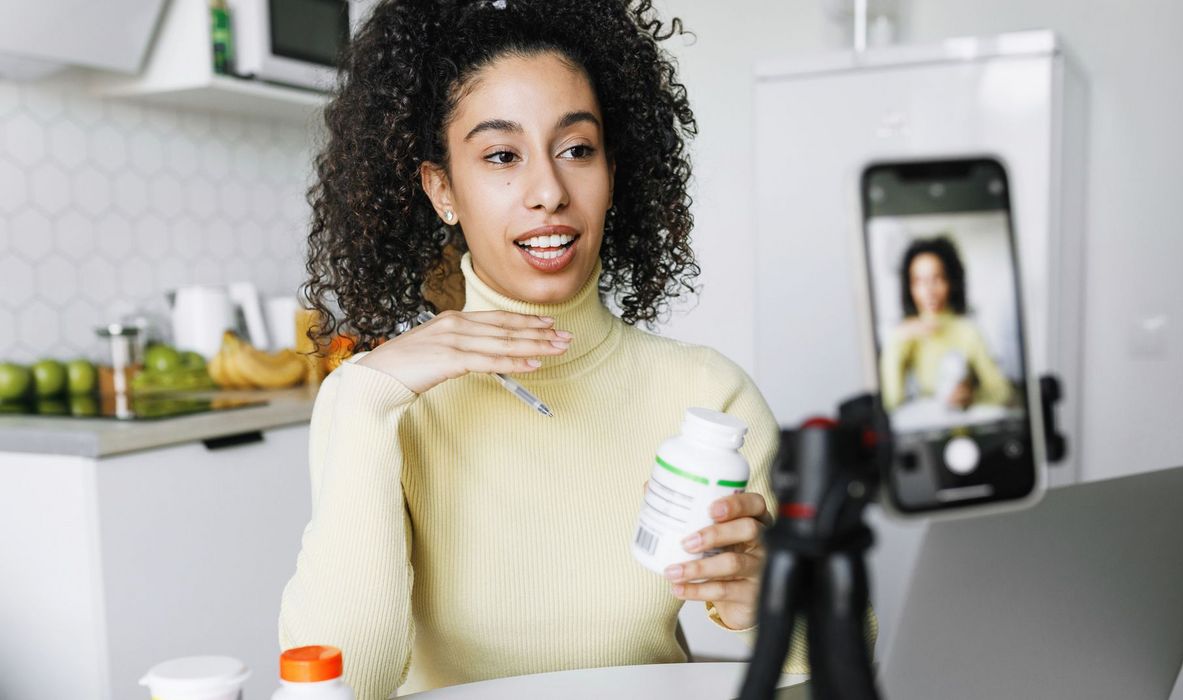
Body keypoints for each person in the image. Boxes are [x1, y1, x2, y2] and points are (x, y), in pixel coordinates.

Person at [278, 2, 834, 698]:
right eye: (502, 156)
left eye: (577, 149)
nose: (549, 192)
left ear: (612, 173)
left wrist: (771, 599)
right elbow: (342, 681)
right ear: (442, 189)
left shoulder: (706, 397)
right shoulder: (378, 400)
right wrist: (363, 393)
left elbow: (835, 659)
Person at [880, 236, 1014, 412]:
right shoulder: (905, 335)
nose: (928, 291)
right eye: (919, 281)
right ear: (910, 287)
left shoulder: (967, 331)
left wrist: (971, 398)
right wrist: (897, 340)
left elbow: (1003, 392)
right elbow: (892, 402)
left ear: (951, 282)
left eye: (937, 279)